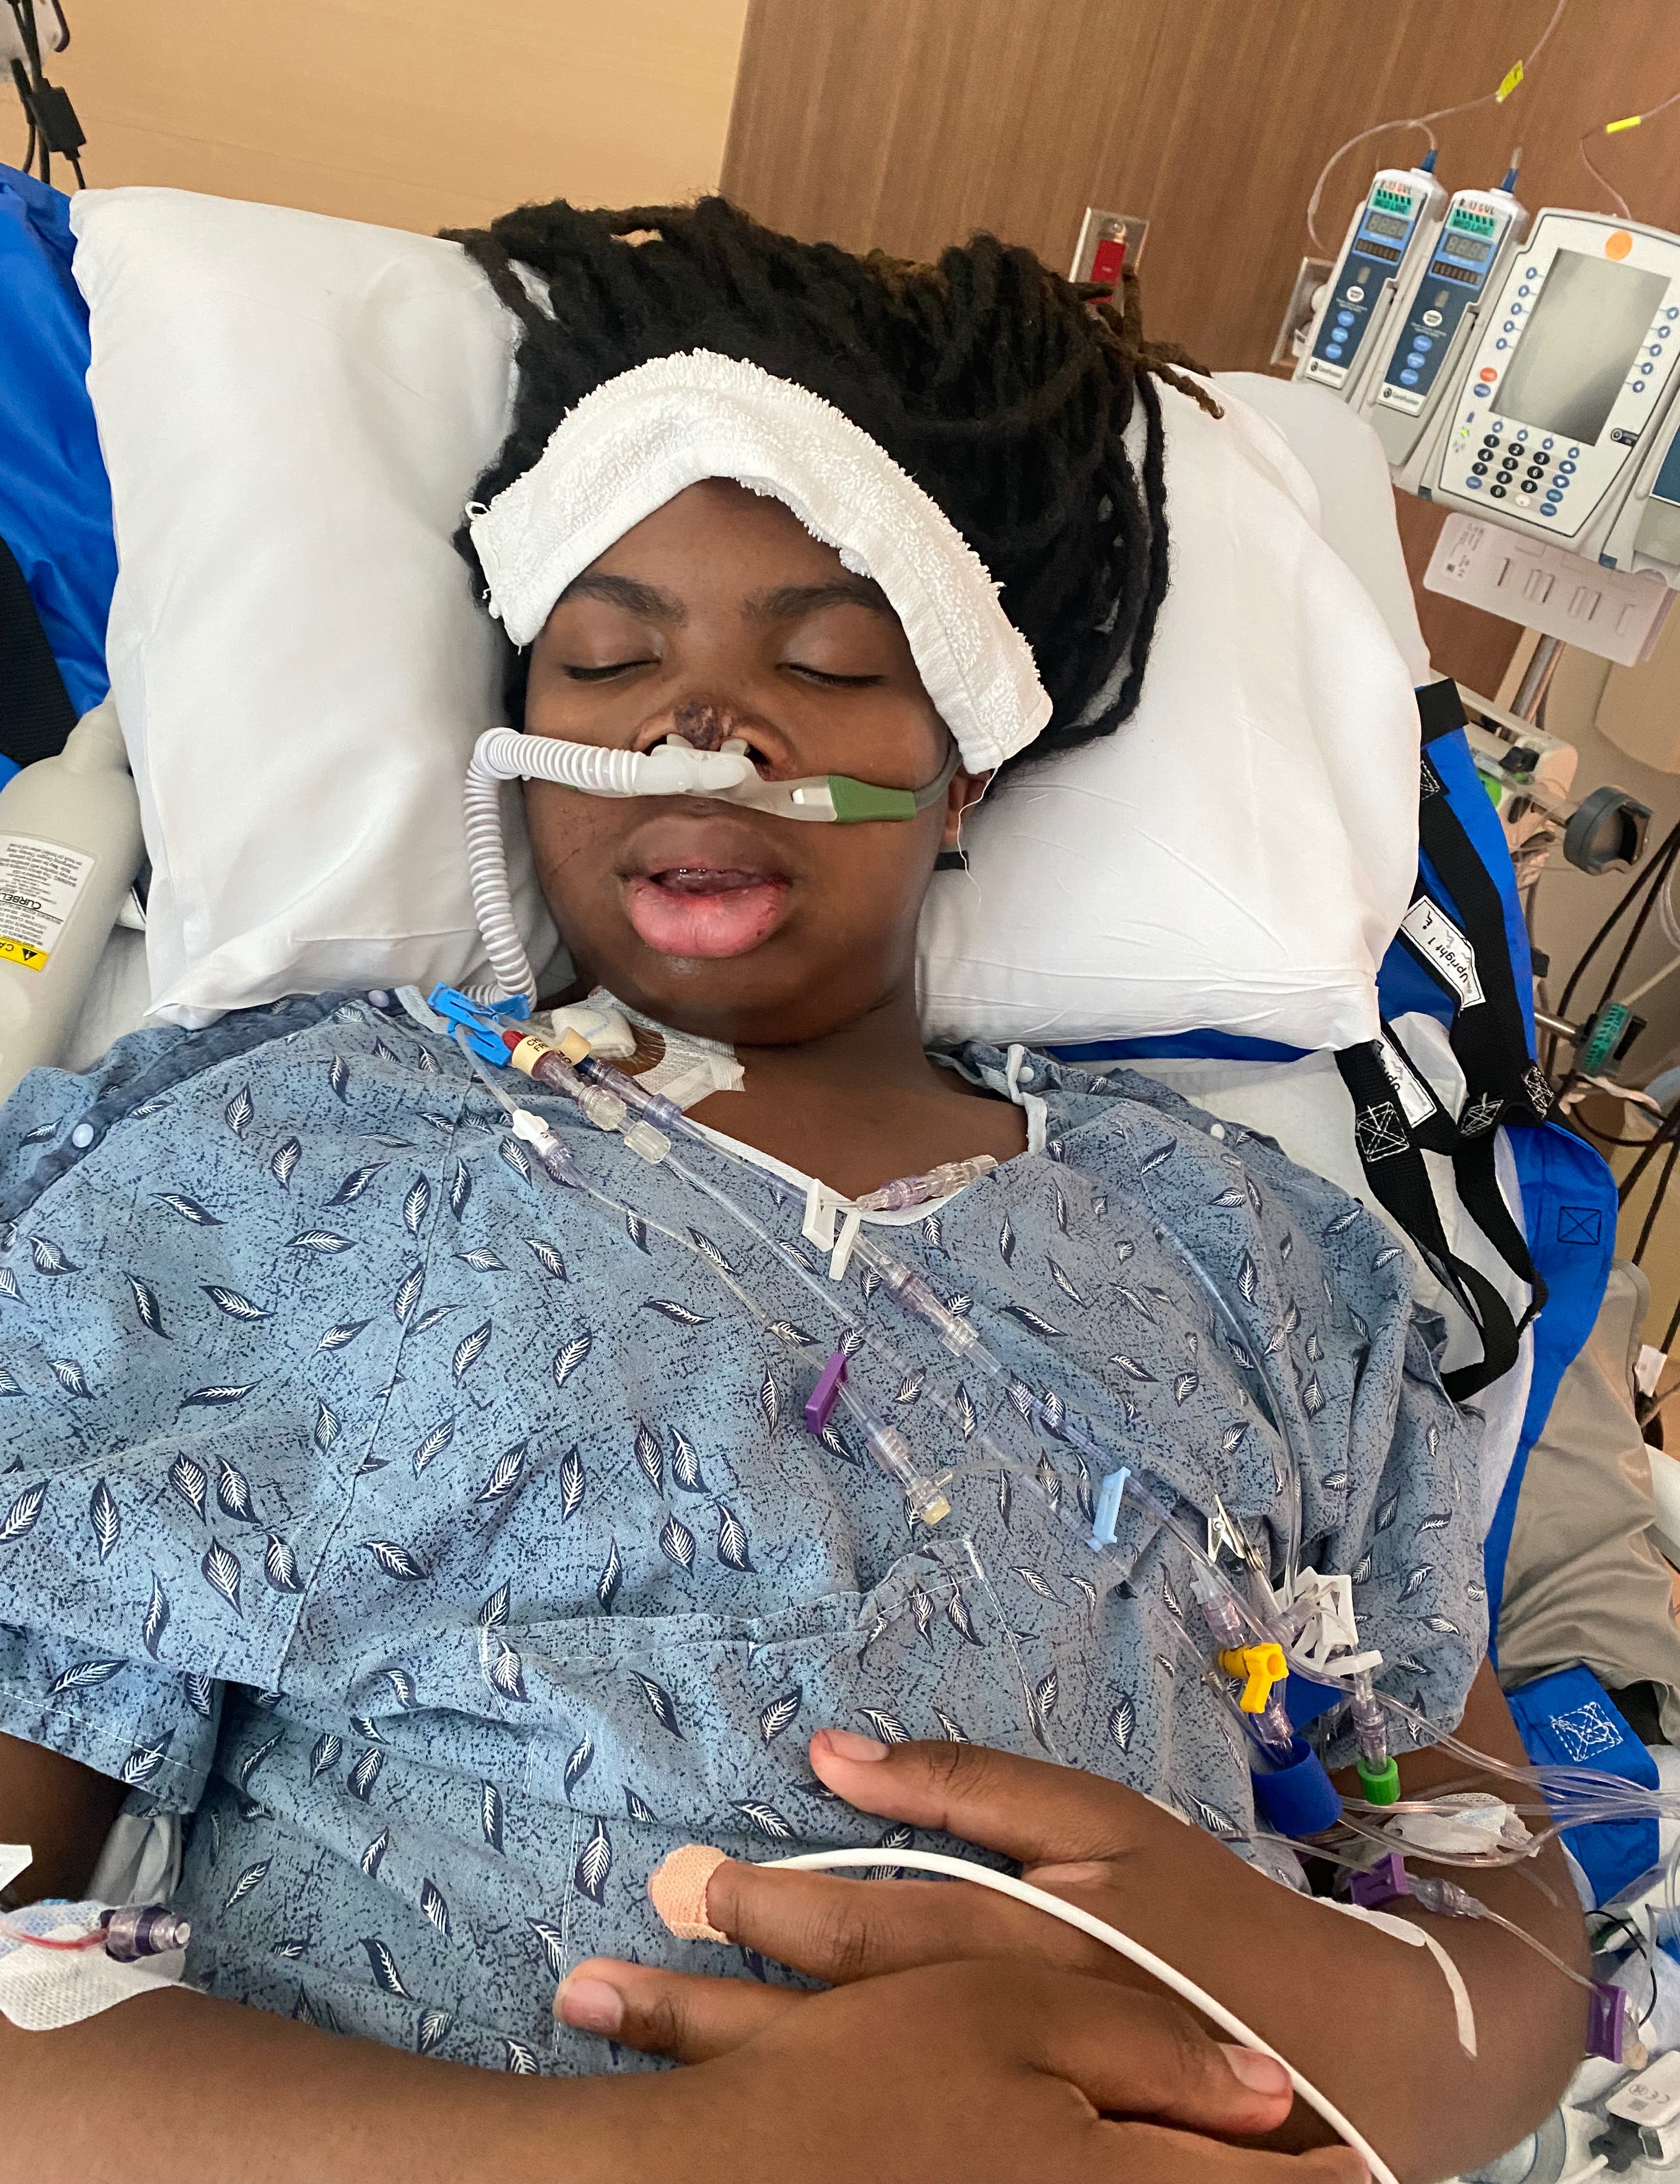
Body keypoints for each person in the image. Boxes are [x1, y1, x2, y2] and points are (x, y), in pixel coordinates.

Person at [0, 198, 1581, 2184]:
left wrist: (1357, 2026)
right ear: (523, 753)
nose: (703, 729)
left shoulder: (1253, 1252)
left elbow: (1485, 1865)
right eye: (605, 662)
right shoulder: (268, 1166)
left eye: (824, 664)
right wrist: (668, 2161)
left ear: (964, 767)